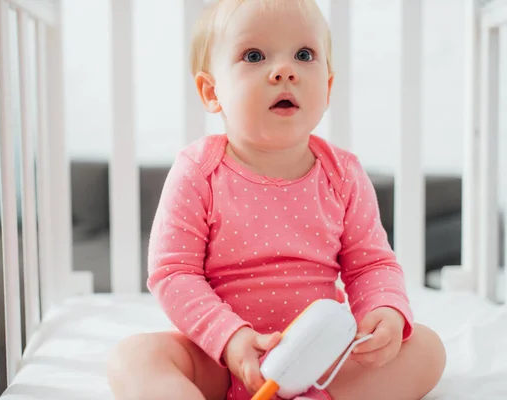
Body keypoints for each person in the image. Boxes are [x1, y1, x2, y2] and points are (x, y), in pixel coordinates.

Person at [106, 0, 446, 399]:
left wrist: (384, 312)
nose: (284, 70)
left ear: (328, 87)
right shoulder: (198, 171)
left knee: (426, 349)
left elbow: (371, 265)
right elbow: (173, 273)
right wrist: (230, 337)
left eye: (304, 55)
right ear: (212, 91)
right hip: (219, 358)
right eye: (254, 55)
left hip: (320, 360)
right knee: (133, 357)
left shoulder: (343, 174)